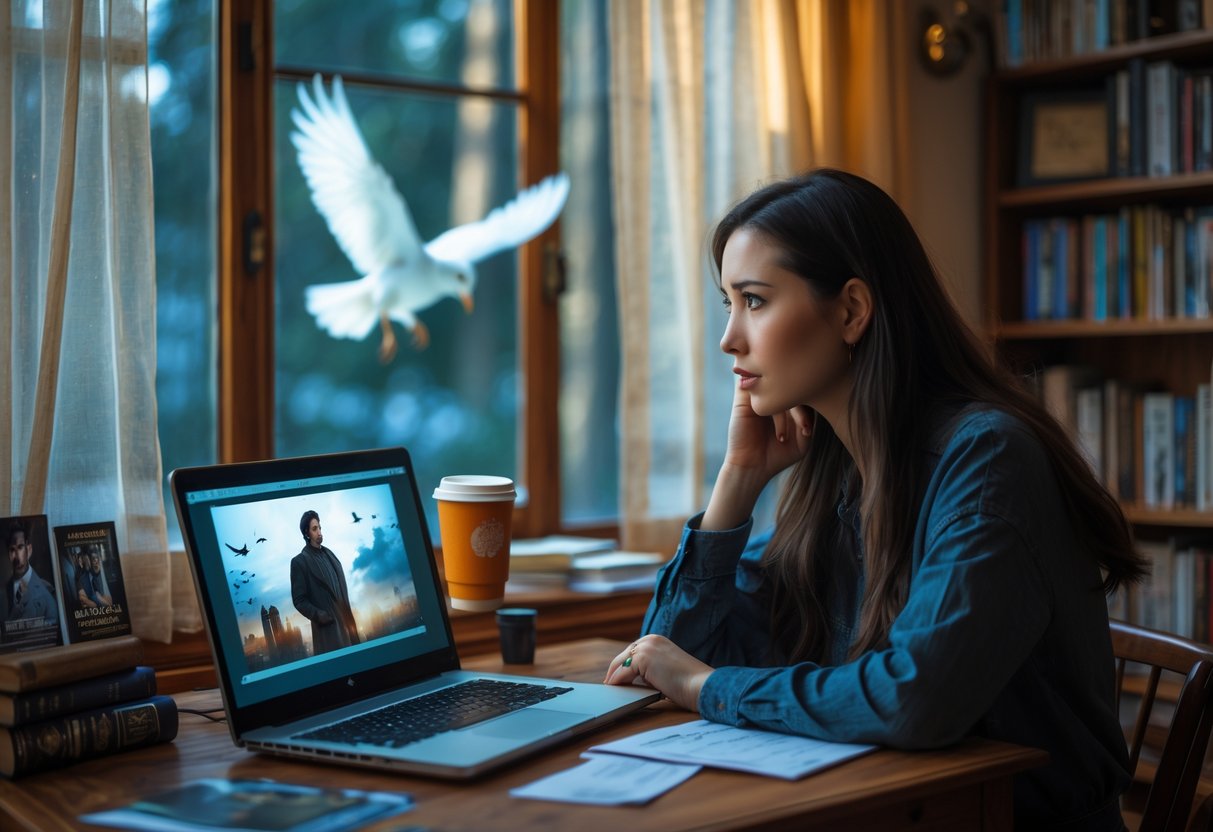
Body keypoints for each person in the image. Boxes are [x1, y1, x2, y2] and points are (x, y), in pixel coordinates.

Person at [603, 169, 1146, 830]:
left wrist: (701, 685)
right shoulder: (837, 465)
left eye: (754, 301)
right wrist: (738, 481)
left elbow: (911, 698)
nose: (729, 340)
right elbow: (666, 652)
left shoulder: (986, 457)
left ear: (852, 311)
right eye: (728, 303)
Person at [290, 510, 360, 654]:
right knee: (338, 675)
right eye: (315, 529)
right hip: (328, 634)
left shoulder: (331, 556)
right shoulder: (299, 562)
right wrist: (319, 615)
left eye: (320, 527)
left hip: (348, 631)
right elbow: (299, 600)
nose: (319, 532)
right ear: (306, 533)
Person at [5, 519, 58, 623]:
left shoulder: (47, 590)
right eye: (12, 550)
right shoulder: (6, 588)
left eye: (20, 547)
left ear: (29, 550)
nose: (17, 557)